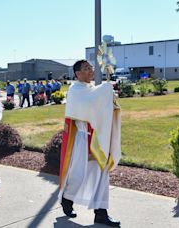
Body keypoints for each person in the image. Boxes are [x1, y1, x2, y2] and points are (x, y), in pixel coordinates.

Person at [58, 60, 122, 226]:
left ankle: (101, 212)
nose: (90, 71)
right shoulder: (75, 90)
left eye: (91, 68)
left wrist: (110, 98)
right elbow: (87, 107)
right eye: (86, 68)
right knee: (78, 174)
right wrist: (106, 91)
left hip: (98, 139)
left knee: (102, 174)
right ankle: (67, 198)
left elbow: (100, 107)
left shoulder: (93, 89)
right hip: (82, 139)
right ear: (77, 73)